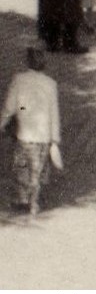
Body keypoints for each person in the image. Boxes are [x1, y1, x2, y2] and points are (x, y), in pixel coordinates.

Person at [2, 47, 61, 218]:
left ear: (27, 62)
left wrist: (3, 122)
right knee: (37, 170)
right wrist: (54, 139)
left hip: (24, 134)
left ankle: (22, 198)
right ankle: (34, 202)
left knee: (21, 167)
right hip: (42, 136)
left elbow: (10, 106)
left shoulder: (19, 80)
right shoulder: (51, 84)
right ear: (44, 64)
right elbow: (53, 112)